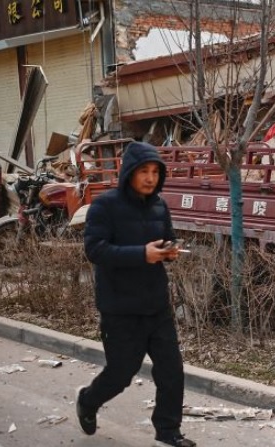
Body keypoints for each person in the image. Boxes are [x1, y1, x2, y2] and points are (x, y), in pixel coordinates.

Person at [75, 141, 196, 447]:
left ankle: (168, 432)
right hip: (120, 307)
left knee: (172, 372)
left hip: (156, 305)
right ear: (129, 171)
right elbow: (95, 249)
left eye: (155, 171)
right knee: (121, 374)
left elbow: (165, 238)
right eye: (144, 171)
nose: (150, 178)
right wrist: (141, 254)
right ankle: (88, 400)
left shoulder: (159, 205)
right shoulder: (105, 205)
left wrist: (169, 250)